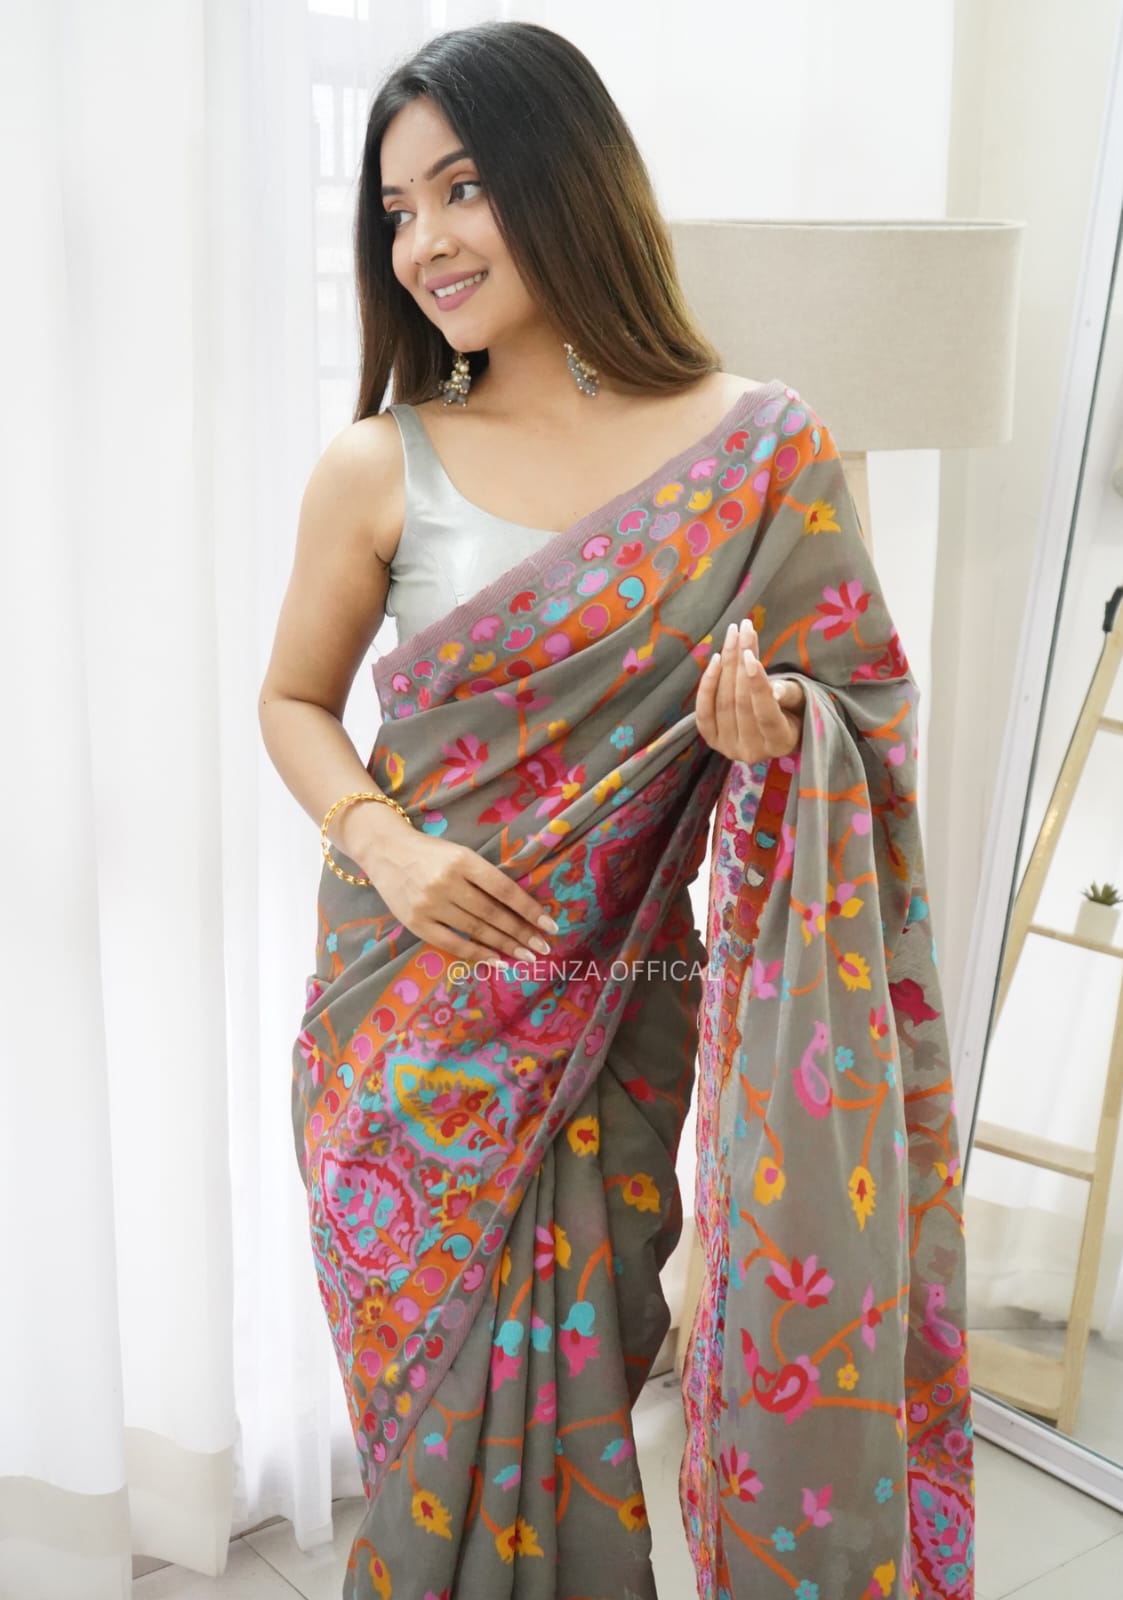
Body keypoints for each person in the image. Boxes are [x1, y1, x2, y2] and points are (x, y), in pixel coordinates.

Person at [259, 21, 974, 1600]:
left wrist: (778, 730)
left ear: (567, 176)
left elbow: (857, 715)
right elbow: (292, 704)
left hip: (614, 1016)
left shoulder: (759, 450)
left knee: (575, 1413)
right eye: (396, 210)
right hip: (400, 1041)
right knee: (434, 1448)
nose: (426, 241)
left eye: (462, 187)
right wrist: (388, 844)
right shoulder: (377, 465)